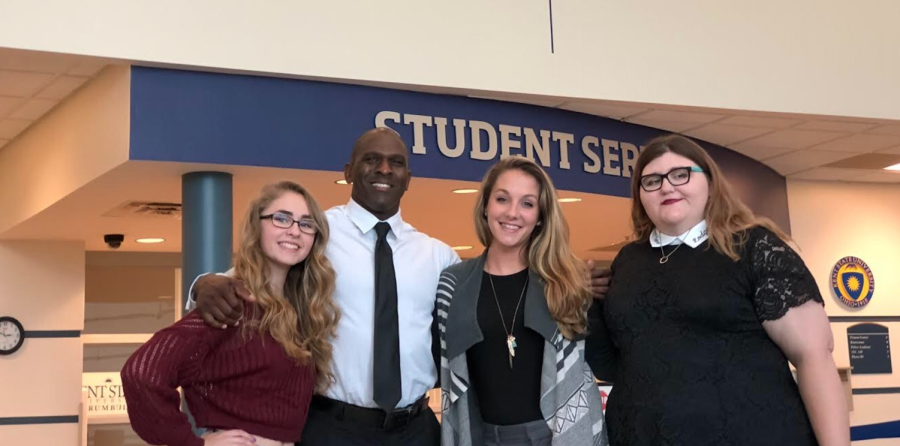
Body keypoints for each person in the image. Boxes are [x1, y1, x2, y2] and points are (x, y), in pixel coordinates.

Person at [192, 129, 612, 446]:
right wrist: (204, 284)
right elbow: (253, 277)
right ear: (348, 172)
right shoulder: (317, 231)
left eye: (395, 163)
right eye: (371, 160)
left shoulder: (440, 259)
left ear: (408, 178)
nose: (384, 170)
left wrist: (573, 275)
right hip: (332, 426)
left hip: (415, 430)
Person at [600, 135, 850, 446]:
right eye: (651, 180)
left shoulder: (753, 246)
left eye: (680, 175)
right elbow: (617, 361)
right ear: (640, 195)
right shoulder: (628, 261)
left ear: (710, 182)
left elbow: (814, 357)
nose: (667, 186)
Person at [121, 181, 339, 446]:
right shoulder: (231, 304)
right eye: (281, 219)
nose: (294, 230)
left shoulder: (298, 312)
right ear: (256, 226)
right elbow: (141, 373)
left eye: (306, 223)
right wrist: (191, 443)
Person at [437, 156, 608, 446]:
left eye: (527, 203)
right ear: (486, 207)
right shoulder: (453, 283)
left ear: (540, 216)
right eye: (502, 199)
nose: (513, 213)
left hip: (557, 437)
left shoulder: (567, 281)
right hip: (482, 436)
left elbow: (604, 360)